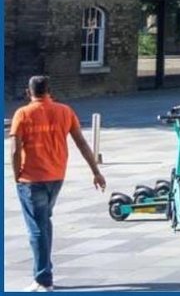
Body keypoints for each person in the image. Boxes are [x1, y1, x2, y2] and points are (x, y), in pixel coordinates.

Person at [10, 76, 106, 291]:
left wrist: (16, 175)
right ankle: (45, 270)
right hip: (56, 175)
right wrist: (96, 172)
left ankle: (43, 278)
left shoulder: (23, 114)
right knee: (44, 221)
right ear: (50, 91)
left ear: (28, 92)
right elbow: (81, 142)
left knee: (36, 228)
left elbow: (15, 149)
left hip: (31, 178)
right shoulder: (65, 111)